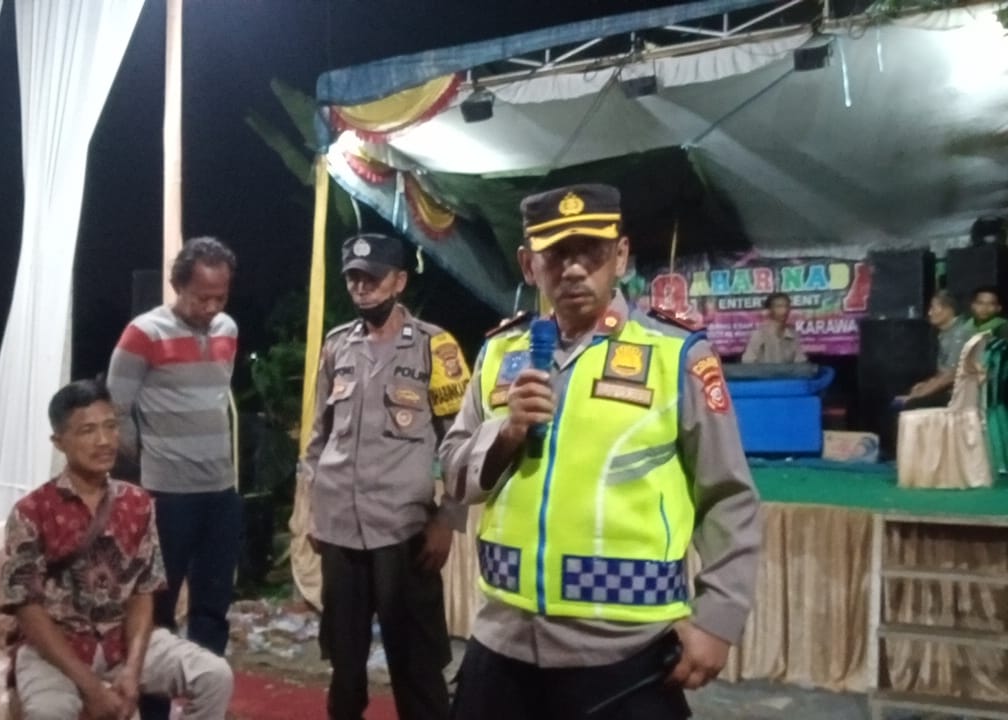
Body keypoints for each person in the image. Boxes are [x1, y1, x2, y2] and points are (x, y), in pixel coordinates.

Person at [439, 184, 761, 720]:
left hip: (627, 654)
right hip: (502, 643)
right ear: (528, 265)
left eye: (590, 251)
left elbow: (728, 497)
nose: (572, 269)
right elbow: (453, 472)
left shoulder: (677, 355)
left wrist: (718, 619)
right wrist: (507, 433)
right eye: (555, 254)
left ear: (621, 256)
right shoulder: (499, 353)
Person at [303, 232, 472, 720]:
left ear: (399, 281)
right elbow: (318, 439)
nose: (361, 287)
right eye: (353, 278)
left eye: (372, 278)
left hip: (405, 533)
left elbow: (460, 442)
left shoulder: (434, 347)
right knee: (345, 669)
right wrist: (314, 510)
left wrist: (448, 520)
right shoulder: (337, 346)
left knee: (417, 670)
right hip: (339, 530)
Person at [1, 380, 233, 720]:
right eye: (88, 430)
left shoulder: (137, 503)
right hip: (56, 651)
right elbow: (27, 609)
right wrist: (92, 689)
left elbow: (142, 592)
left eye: (111, 426)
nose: (105, 440)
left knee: (215, 676)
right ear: (59, 442)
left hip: (120, 641)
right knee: (49, 713)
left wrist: (132, 671)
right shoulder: (31, 511)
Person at [107, 236, 241, 660]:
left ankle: (205, 685)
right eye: (202, 297)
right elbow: (116, 410)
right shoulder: (144, 333)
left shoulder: (228, 329)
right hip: (167, 496)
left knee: (214, 605)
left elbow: (215, 399)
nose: (212, 306)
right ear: (178, 285)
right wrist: (147, 463)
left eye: (220, 296)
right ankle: (154, 690)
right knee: (158, 604)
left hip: (221, 490)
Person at [896, 290, 975, 409]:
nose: (929, 313)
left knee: (909, 404)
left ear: (948, 310)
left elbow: (950, 375)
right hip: (951, 390)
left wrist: (918, 395)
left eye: (933, 308)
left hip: (961, 394)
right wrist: (926, 385)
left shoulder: (959, 334)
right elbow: (943, 371)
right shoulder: (946, 332)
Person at [741, 292, 807, 364]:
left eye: (787, 306)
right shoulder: (759, 335)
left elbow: (800, 363)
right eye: (779, 307)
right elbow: (748, 362)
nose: (784, 310)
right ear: (770, 310)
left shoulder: (793, 334)